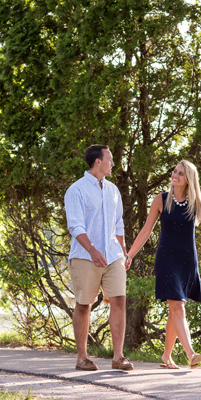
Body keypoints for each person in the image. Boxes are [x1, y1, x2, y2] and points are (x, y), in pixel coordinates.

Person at [125, 159, 201, 369]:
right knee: (177, 307)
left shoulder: (196, 204)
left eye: (180, 174)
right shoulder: (161, 200)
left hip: (187, 261)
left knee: (176, 307)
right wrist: (129, 255)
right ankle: (190, 353)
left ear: (189, 180)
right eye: (174, 171)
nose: (175, 175)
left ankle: (166, 357)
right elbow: (146, 230)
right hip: (166, 260)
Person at [64, 144, 134, 372]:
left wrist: (124, 252)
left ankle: (118, 357)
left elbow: (118, 223)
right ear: (98, 161)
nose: (113, 163)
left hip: (113, 256)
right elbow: (75, 225)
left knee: (119, 300)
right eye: (110, 159)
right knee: (84, 305)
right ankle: (82, 358)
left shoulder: (113, 190)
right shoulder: (76, 190)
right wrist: (93, 250)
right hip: (85, 257)